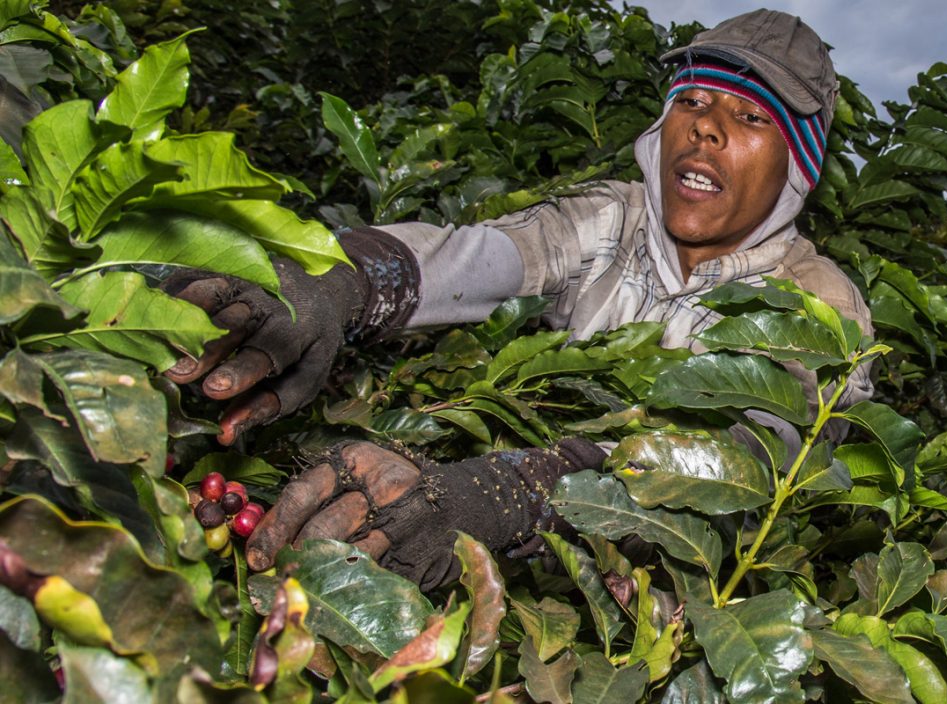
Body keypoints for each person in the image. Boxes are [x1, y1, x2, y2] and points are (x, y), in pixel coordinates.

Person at [164, 9, 873, 590]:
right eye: (691, 100)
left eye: (752, 118)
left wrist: (491, 498)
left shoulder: (820, 312)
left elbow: (732, 454)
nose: (706, 126)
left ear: (796, 169)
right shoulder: (614, 221)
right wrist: (342, 281)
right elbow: (484, 258)